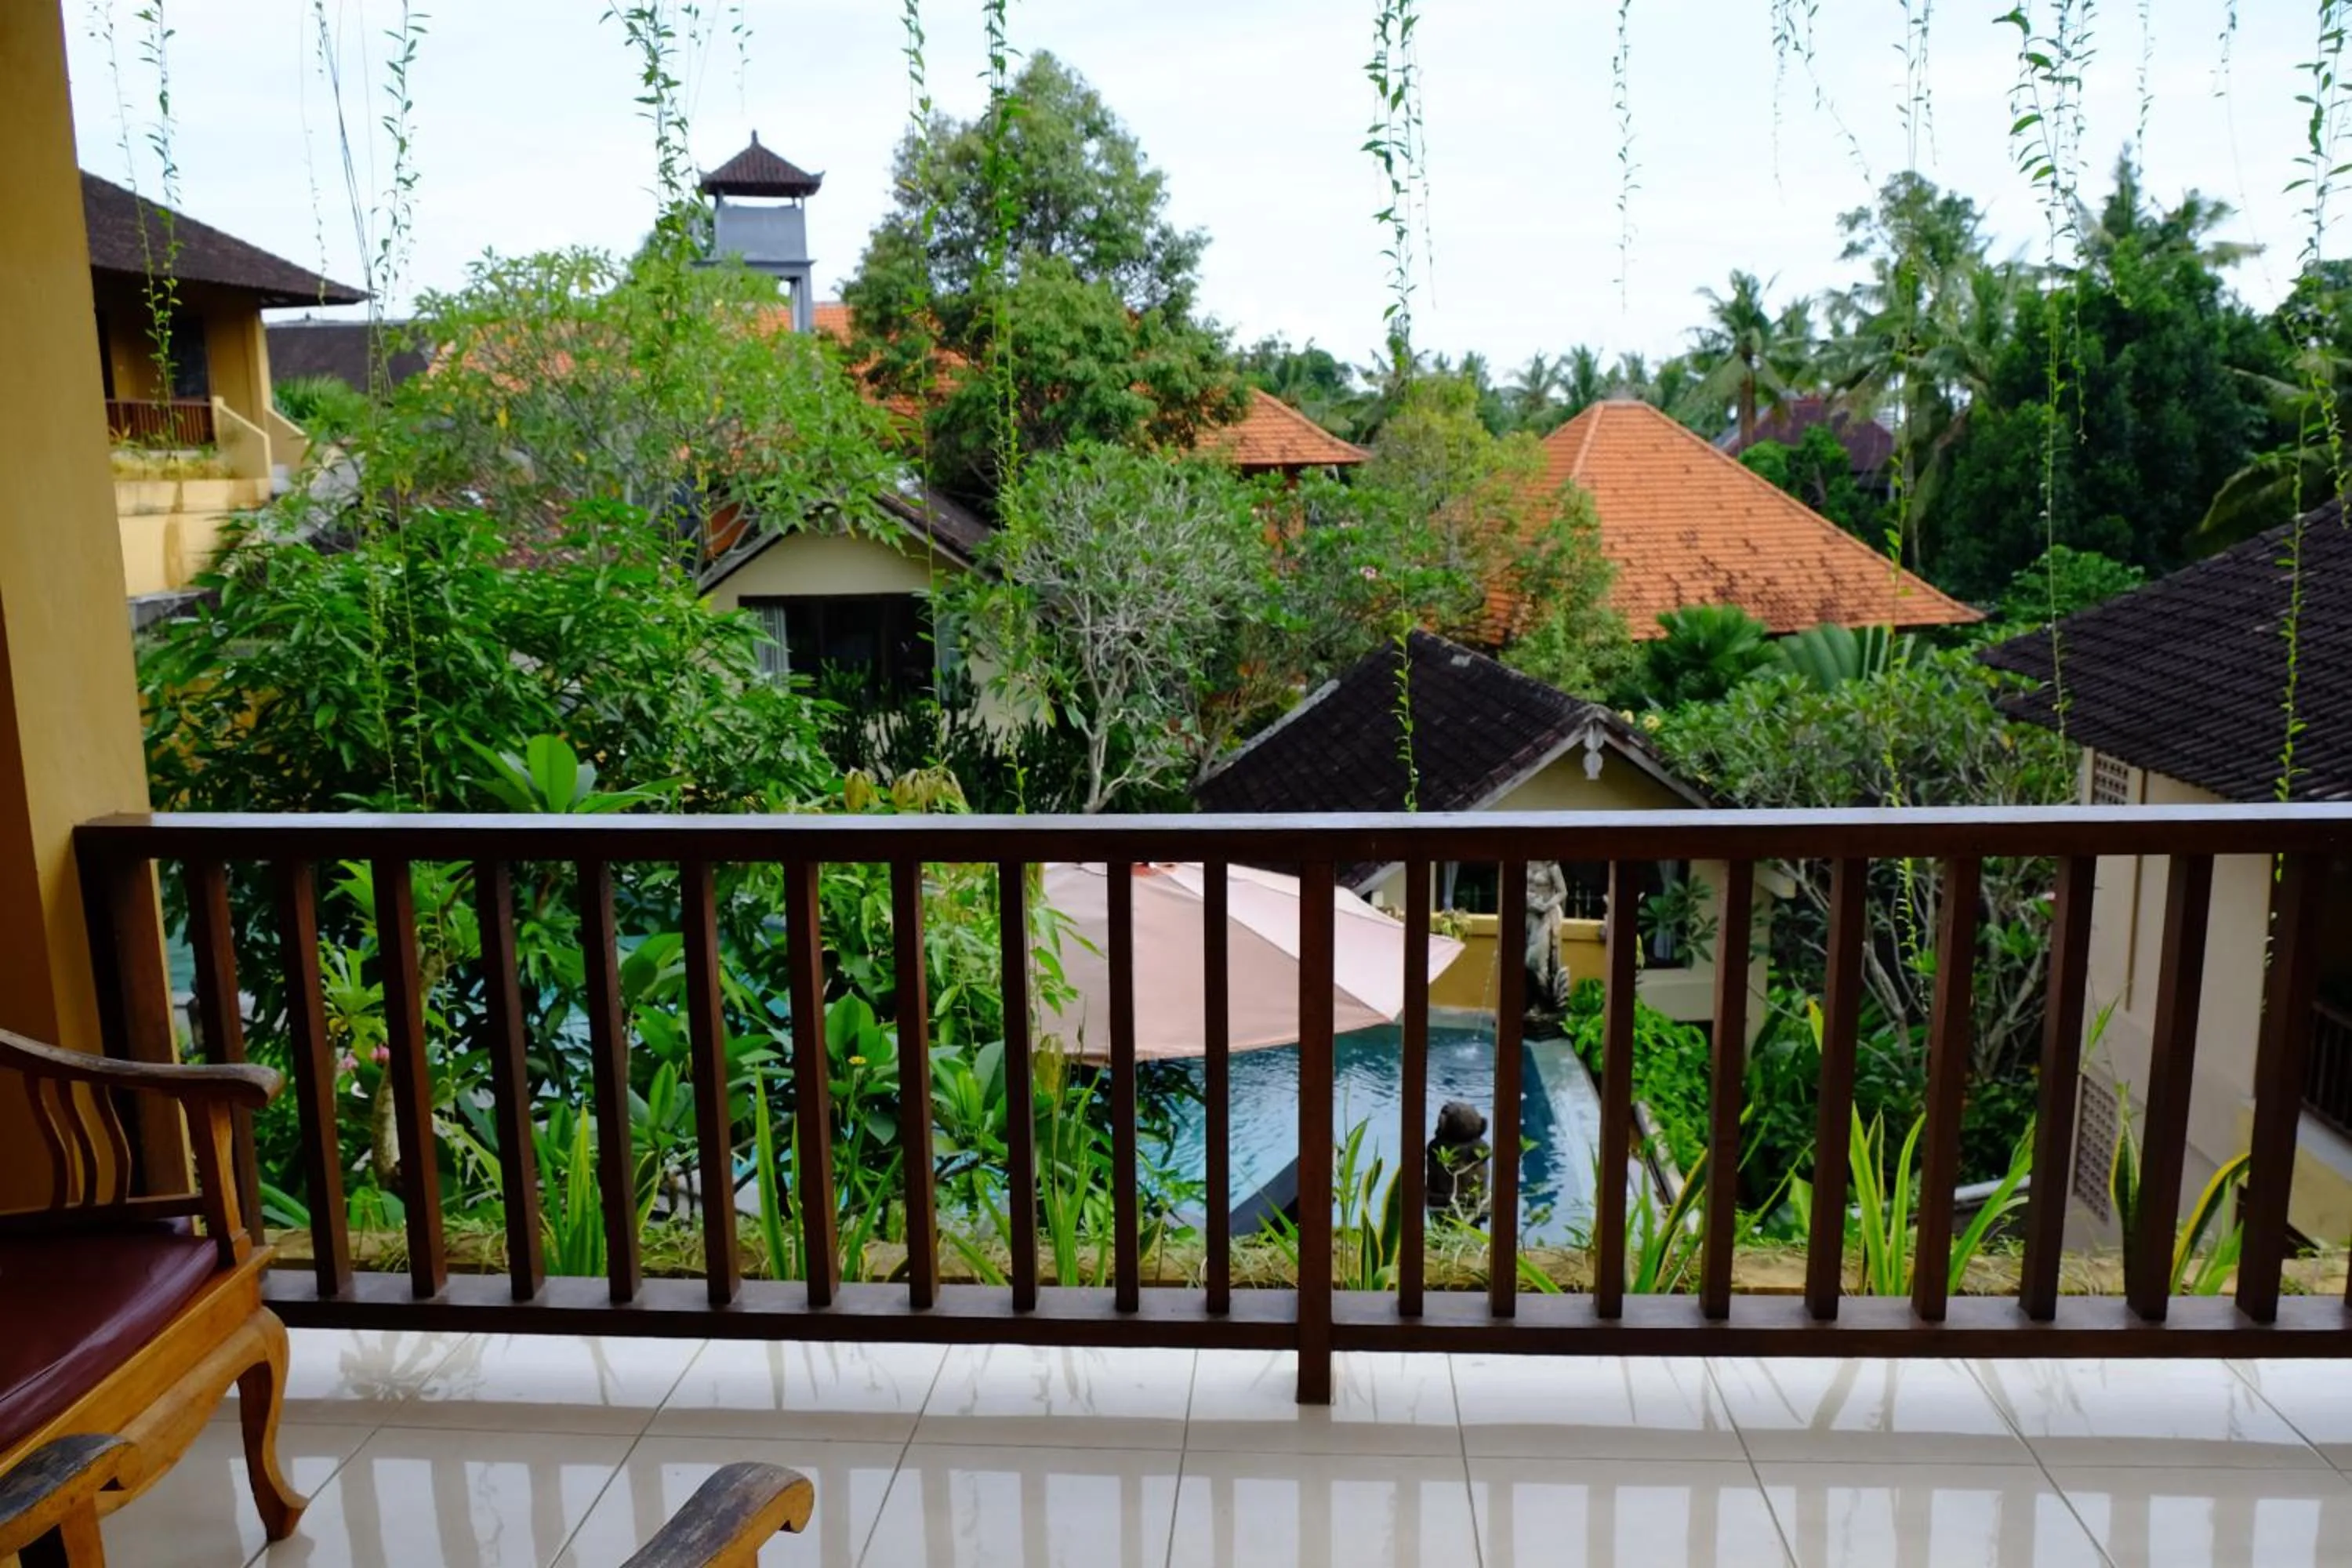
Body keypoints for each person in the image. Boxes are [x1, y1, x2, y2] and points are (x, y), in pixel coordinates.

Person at [1425, 1099, 1491, 1225]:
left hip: (1442, 1201)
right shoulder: (1482, 1147)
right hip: (1476, 1200)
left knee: (1441, 1230)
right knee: (1474, 1229)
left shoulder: (1437, 1147)